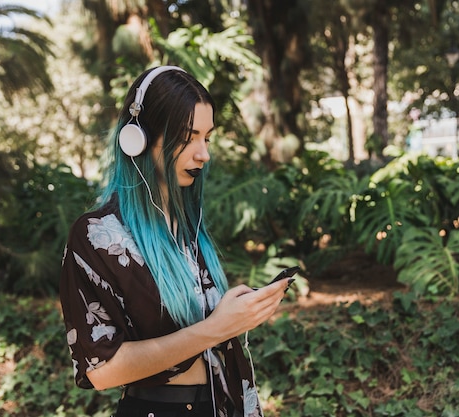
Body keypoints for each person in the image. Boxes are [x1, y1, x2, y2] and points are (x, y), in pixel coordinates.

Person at [59, 65, 292, 417]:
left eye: (207, 137)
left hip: (223, 404)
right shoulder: (95, 235)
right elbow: (101, 369)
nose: (203, 154)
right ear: (136, 137)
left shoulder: (187, 225)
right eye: (188, 136)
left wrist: (231, 311)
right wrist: (215, 328)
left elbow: (196, 326)